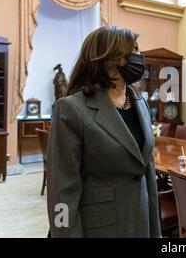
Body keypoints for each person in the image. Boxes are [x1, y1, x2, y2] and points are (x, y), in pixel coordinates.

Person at [47, 26, 161, 238]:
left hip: (140, 224)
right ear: (110, 58)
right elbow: (61, 191)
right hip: (100, 229)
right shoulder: (72, 108)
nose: (140, 56)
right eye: (133, 49)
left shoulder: (140, 103)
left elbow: (148, 176)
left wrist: (155, 231)